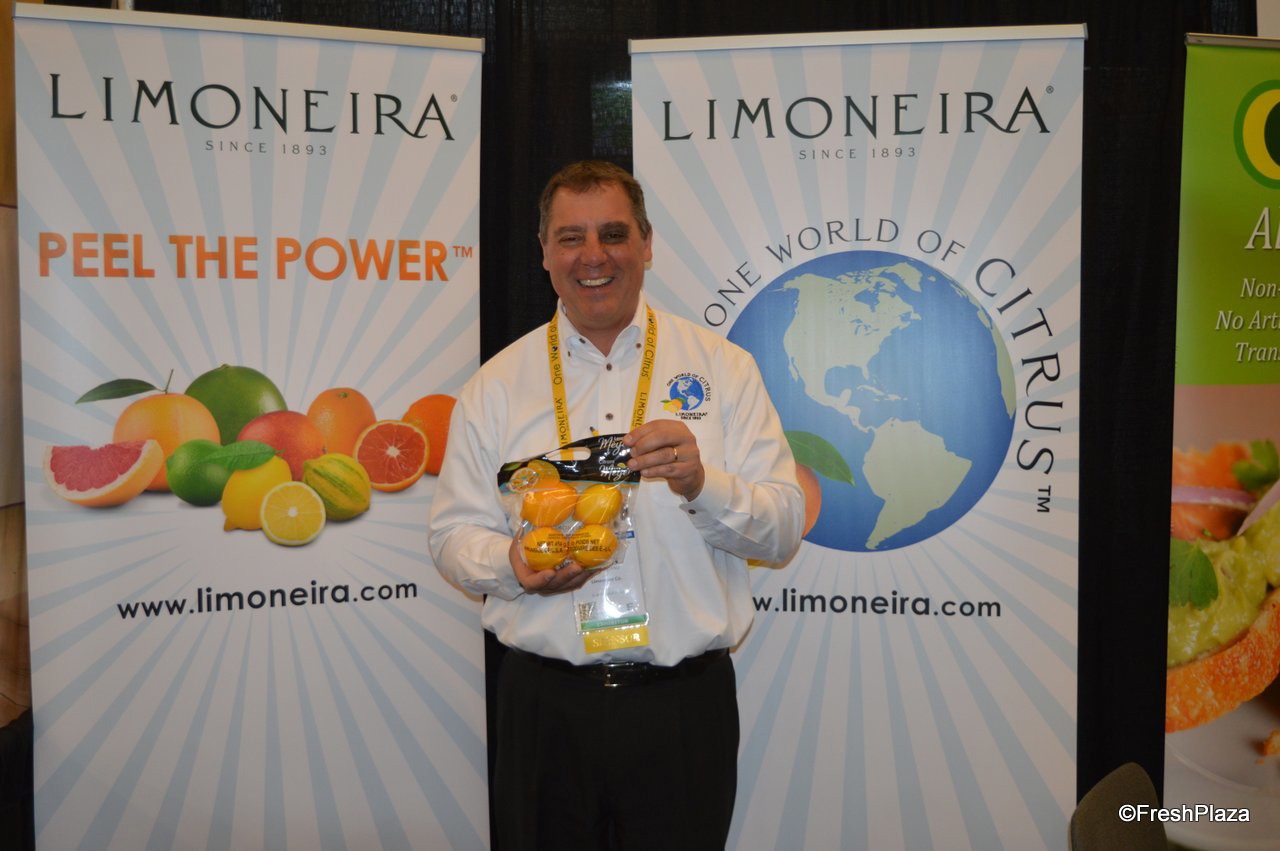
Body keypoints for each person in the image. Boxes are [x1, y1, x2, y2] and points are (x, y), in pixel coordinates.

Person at [427, 160, 803, 850]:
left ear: (647, 244)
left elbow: (781, 529)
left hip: (682, 709)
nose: (593, 256)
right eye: (570, 237)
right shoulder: (496, 385)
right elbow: (452, 535)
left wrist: (701, 483)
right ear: (544, 252)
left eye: (614, 234)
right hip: (544, 708)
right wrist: (511, 564)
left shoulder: (724, 369)